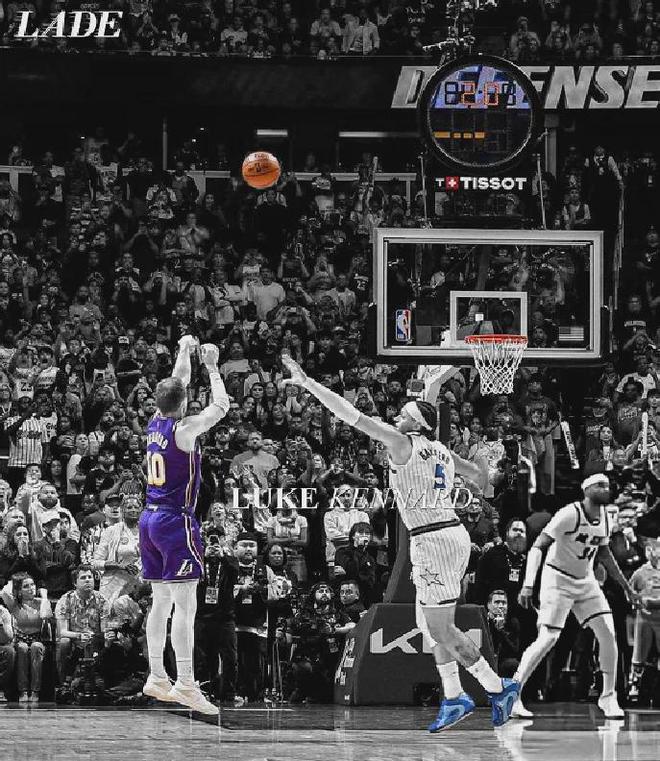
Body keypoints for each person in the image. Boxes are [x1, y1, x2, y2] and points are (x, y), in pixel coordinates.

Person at [280, 355, 519, 731]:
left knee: (442, 630)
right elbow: (480, 476)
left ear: (416, 424)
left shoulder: (402, 443)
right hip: (444, 534)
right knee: (428, 624)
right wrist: (490, 462)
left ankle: (496, 687)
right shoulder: (441, 450)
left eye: (403, 415)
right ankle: (453, 695)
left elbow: (351, 415)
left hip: (435, 539)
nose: (395, 417)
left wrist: (309, 383)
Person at [139, 335, 229, 715]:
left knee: (160, 602)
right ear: (184, 402)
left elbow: (178, 381)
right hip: (175, 520)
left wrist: (183, 350)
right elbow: (221, 406)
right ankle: (187, 683)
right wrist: (212, 366)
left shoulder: (156, 422)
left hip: (148, 519)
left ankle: (157, 675)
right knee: (185, 606)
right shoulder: (185, 429)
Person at [512, 473, 639, 719]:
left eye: (607, 485)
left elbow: (605, 555)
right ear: (586, 489)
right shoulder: (569, 514)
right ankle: (513, 693)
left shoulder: (605, 517)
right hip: (557, 578)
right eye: (600, 485)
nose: (606, 488)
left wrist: (627, 589)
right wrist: (528, 584)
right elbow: (538, 546)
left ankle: (608, 697)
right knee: (548, 638)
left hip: (585, 580)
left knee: (608, 633)